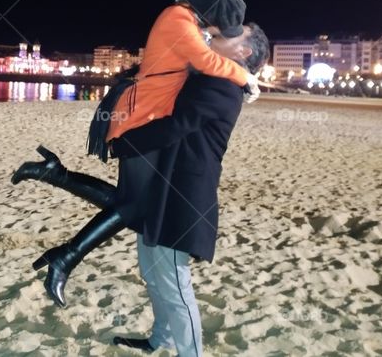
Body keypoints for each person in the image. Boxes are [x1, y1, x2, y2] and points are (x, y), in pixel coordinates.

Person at [16, 24, 269, 355]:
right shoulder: (217, 77)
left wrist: (126, 143)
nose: (222, 30)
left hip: (183, 198)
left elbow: (177, 126)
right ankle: (160, 339)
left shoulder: (221, 86)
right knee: (153, 274)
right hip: (165, 183)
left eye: (233, 32)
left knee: (176, 287)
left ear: (243, 52)